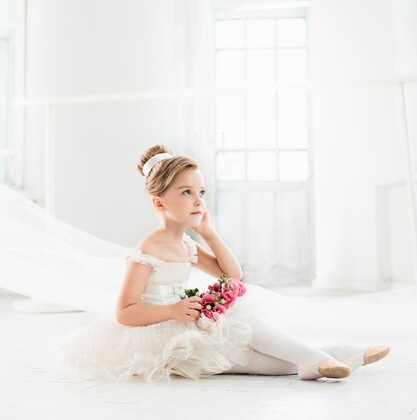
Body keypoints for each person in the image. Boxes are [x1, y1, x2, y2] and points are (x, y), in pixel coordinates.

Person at [54, 144, 390, 384]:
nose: (198, 200)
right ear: (159, 202)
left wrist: (208, 234)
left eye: (201, 192)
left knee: (249, 326)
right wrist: (173, 310)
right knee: (262, 362)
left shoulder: (187, 244)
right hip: (161, 335)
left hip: (189, 322)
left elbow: (233, 274)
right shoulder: (148, 248)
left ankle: (325, 358)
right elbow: (125, 312)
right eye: (186, 193)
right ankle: (329, 356)